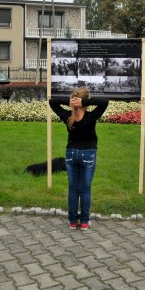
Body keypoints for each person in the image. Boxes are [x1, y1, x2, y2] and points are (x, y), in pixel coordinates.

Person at [49, 87, 109, 231]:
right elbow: (104, 102)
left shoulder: (68, 116)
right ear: (85, 101)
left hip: (71, 154)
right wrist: (82, 102)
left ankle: (72, 221)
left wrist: (71, 102)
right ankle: (84, 222)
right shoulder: (91, 116)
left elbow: (52, 102)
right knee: (85, 189)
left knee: (73, 188)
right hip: (88, 154)